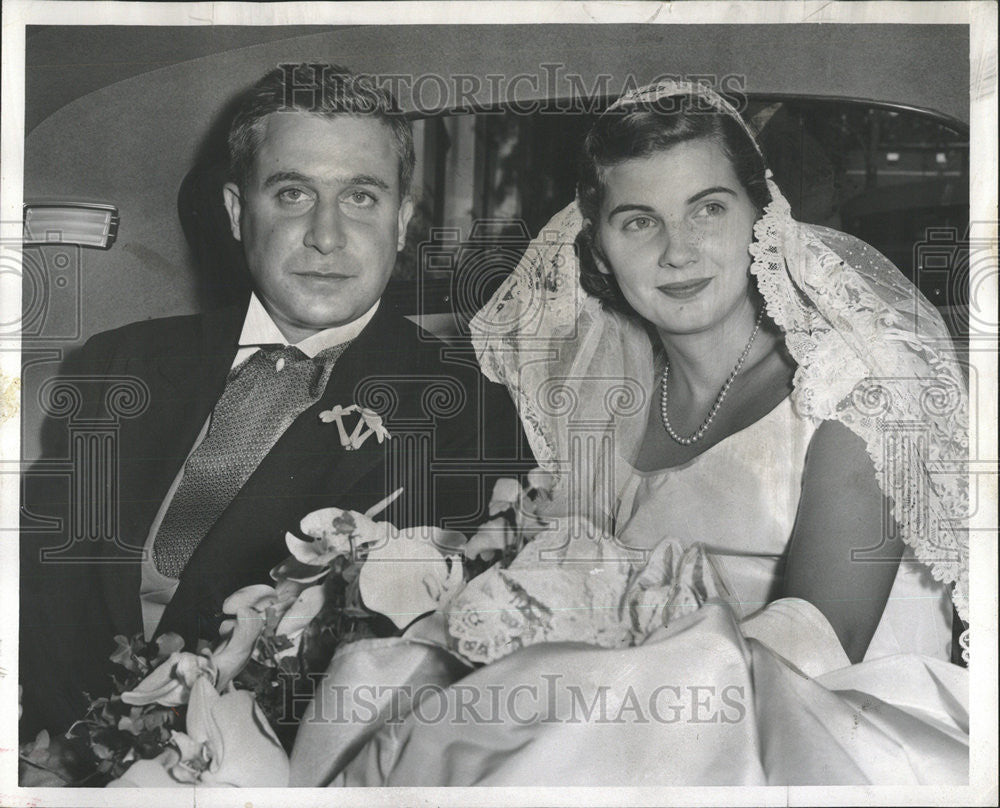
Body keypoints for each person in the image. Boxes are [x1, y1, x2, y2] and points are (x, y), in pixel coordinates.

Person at [290, 80, 969, 786]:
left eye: (709, 209)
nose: (679, 252)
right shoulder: (600, 399)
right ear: (600, 248)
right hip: (633, 714)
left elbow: (823, 640)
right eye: (639, 222)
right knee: (378, 675)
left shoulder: (857, 385)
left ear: (762, 218)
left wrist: (576, 691)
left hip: (818, 730)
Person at [19, 63, 527, 740]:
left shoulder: (467, 411)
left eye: (361, 198)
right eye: (292, 193)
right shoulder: (120, 365)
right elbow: (36, 594)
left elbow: (404, 684)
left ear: (402, 223)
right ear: (237, 211)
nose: (326, 234)